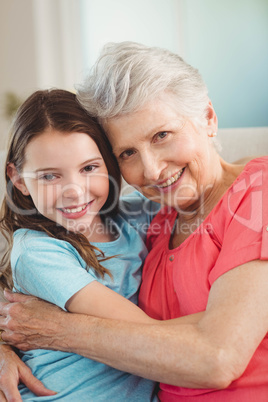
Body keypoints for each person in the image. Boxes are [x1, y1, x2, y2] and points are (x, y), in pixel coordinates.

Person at [1, 42, 268, 401]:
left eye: (162, 135)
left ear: (208, 118)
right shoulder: (155, 214)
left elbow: (218, 356)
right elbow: (27, 284)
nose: (152, 170)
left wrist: (57, 330)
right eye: (127, 153)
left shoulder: (254, 193)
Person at [0, 88, 167, 401]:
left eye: (89, 168)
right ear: (19, 179)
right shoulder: (37, 251)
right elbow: (149, 335)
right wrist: (218, 326)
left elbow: (224, 183)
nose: (74, 192)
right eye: (50, 176)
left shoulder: (132, 217)